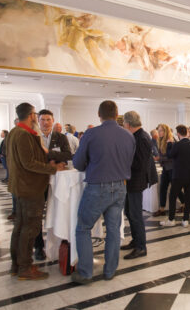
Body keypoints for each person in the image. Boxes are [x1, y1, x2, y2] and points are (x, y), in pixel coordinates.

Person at [71, 100, 135, 284]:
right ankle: (110, 270)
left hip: (98, 187)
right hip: (120, 186)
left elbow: (77, 163)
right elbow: (128, 160)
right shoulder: (128, 135)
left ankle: (85, 272)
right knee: (114, 230)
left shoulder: (91, 133)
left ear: (99, 115)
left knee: (83, 227)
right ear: (117, 115)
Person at [7, 103, 64, 280]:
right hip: (29, 187)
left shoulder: (14, 132)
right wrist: (53, 169)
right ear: (32, 115)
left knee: (21, 226)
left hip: (22, 186)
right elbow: (28, 163)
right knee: (29, 229)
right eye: (36, 115)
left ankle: (16, 264)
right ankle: (25, 266)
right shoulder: (23, 134)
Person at [34, 109, 72, 261]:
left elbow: (68, 155)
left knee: (58, 210)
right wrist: (51, 161)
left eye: (48, 119)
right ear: (38, 121)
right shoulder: (33, 137)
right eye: (42, 119)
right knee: (37, 215)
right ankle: (38, 247)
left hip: (57, 181)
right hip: (39, 180)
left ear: (53, 120)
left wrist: (47, 154)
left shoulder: (60, 137)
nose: (45, 122)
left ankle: (59, 240)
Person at [120, 111, 157, 259]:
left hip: (136, 180)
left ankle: (141, 247)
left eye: (123, 123)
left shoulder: (141, 137)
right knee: (129, 212)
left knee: (135, 214)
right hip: (132, 179)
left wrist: (122, 162)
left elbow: (140, 163)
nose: (123, 126)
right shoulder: (137, 135)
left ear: (128, 124)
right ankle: (136, 241)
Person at [160, 125, 190, 227]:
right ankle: (185, 220)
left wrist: (169, 144)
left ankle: (171, 220)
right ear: (186, 132)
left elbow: (170, 155)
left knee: (172, 197)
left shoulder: (177, 145)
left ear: (178, 134)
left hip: (178, 175)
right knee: (188, 197)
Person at [152, 124, 184, 217]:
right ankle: (162, 209)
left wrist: (159, 158)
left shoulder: (171, 140)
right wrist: (160, 158)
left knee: (176, 189)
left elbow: (172, 156)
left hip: (172, 168)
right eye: (158, 130)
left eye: (161, 130)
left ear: (166, 131)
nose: (159, 132)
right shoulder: (160, 140)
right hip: (166, 168)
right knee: (163, 188)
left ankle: (184, 204)